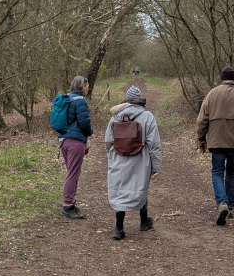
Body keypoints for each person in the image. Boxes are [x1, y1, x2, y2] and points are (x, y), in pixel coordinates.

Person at [196, 65, 234, 225]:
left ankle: (221, 203)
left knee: (217, 172)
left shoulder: (212, 94)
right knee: (232, 173)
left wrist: (201, 138)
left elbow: (202, 119)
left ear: (222, 78)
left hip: (216, 142)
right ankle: (230, 206)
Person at [105, 85, 162, 240]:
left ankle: (119, 228)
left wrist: (111, 158)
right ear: (140, 100)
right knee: (140, 188)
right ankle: (143, 222)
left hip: (119, 159)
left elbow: (108, 142)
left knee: (120, 191)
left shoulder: (115, 116)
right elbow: (154, 144)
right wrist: (156, 166)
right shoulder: (147, 116)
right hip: (140, 160)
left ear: (127, 100)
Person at [57, 75, 93, 219]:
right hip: (75, 141)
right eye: (87, 86)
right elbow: (85, 124)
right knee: (73, 173)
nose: (88, 88)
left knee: (72, 172)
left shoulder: (67, 98)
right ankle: (67, 206)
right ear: (82, 86)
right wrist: (90, 132)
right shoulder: (80, 101)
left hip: (63, 140)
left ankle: (70, 202)